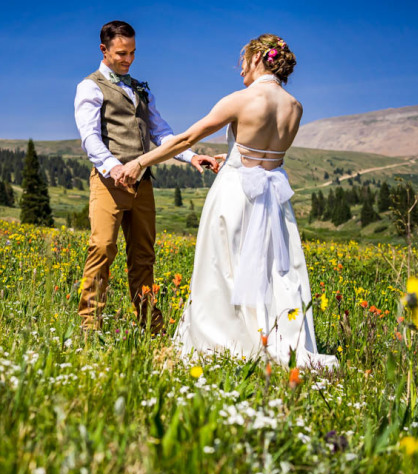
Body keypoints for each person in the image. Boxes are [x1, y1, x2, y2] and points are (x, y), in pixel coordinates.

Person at [122, 34, 338, 368]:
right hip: (274, 201)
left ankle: (225, 341)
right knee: (272, 271)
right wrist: (235, 154)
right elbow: (266, 156)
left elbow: (186, 138)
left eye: (242, 64)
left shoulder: (241, 99)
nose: (240, 73)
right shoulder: (295, 108)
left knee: (223, 268)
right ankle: (274, 335)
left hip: (236, 196)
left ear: (256, 59)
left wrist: (140, 162)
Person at [74, 20, 218, 333]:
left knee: (144, 256)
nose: (128, 59)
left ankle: (151, 328)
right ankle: (89, 327)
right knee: (102, 248)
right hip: (108, 184)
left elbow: (161, 132)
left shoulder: (142, 88)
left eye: (133, 53)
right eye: (121, 53)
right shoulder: (90, 86)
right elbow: (89, 137)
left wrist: (192, 156)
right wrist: (113, 167)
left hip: (143, 185)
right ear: (104, 50)